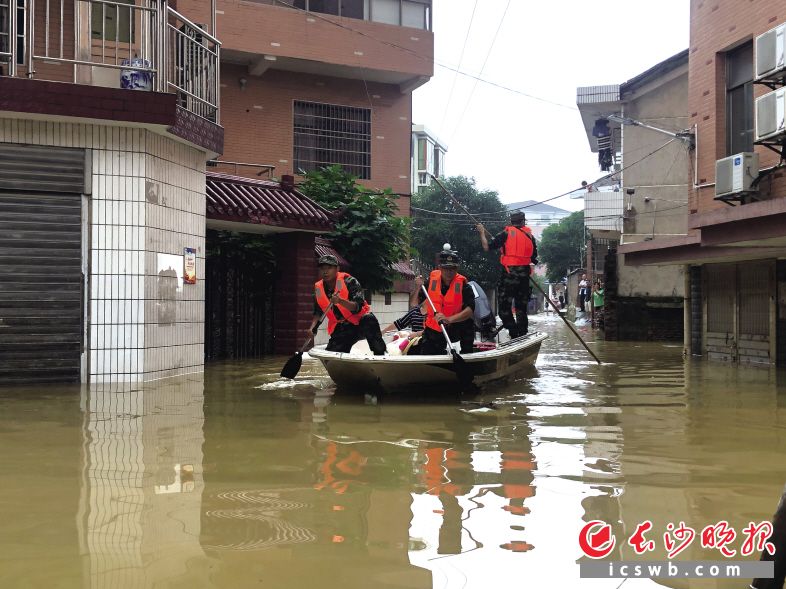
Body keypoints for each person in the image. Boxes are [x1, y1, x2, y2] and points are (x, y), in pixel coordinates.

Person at [477, 211, 538, 338]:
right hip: (524, 278)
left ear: (511, 221)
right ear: (523, 221)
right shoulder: (530, 236)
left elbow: (487, 247)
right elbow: (534, 258)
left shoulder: (505, 234)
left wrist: (482, 232)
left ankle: (513, 332)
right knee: (521, 308)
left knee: (504, 309)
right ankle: (522, 333)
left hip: (509, 277)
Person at [310, 254, 386, 355]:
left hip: (360, 323)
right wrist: (313, 327)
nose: (325, 271)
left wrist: (340, 301)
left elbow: (357, 307)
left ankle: (380, 354)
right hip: (343, 327)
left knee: (369, 319)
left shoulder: (349, 281)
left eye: (329, 268)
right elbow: (318, 311)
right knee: (331, 355)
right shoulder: (319, 288)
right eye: (322, 268)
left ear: (337, 269)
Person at [419, 248, 476, 355]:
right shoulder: (430, 282)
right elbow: (419, 304)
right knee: (427, 349)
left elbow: (470, 310)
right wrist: (418, 289)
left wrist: (449, 319)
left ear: (457, 268)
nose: (449, 272)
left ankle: (467, 356)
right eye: (446, 268)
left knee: (468, 323)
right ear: (440, 267)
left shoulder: (464, 286)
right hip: (435, 326)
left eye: (452, 268)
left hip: (455, 325)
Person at [383, 275, 426, 354]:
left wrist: (417, 334)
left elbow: (433, 332)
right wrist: (383, 331)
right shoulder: (415, 312)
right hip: (414, 344)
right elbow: (399, 323)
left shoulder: (435, 312)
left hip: (427, 342)